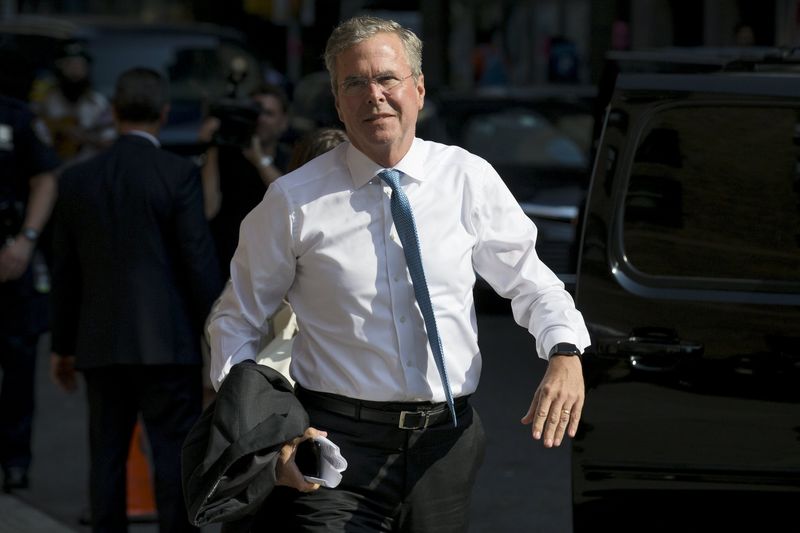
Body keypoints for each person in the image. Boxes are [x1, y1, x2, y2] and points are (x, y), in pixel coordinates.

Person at [206, 15, 589, 532]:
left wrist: (565, 352)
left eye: (387, 78)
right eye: (354, 84)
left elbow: (530, 281)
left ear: (419, 89)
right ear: (338, 103)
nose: (374, 95)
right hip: (334, 444)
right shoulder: (293, 202)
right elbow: (236, 321)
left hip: (445, 444)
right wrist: (266, 441)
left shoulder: (467, 179)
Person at [49, 67, 222, 533]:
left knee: (105, 457)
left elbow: (65, 274)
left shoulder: (78, 180)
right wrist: (218, 339)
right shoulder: (177, 174)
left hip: (100, 343)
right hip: (168, 343)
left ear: (113, 112)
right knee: (172, 457)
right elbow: (198, 265)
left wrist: (62, 346)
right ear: (164, 114)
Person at [0, 93, 60, 493]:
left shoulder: (14, 116)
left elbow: (45, 178)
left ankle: (15, 461)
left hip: (10, 258)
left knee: (18, 364)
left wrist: (27, 239)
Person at [200, 83, 292, 280]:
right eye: (254, 112)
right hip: (229, 265)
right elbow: (208, 208)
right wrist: (212, 146)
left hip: (276, 266)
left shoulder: (291, 159)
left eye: (268, 113)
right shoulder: (225, 157)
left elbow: (293, 202)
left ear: (283, 122)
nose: (260, 119)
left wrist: (259, 161)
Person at [33, 40, 115, 165]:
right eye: (69, 65)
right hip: (53, 168)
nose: (75, 71)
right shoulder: (46, 100)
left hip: (88, 169)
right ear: (59, 67)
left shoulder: (98, 102)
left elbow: (109, 141)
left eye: (80, 66)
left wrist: (85, 138)